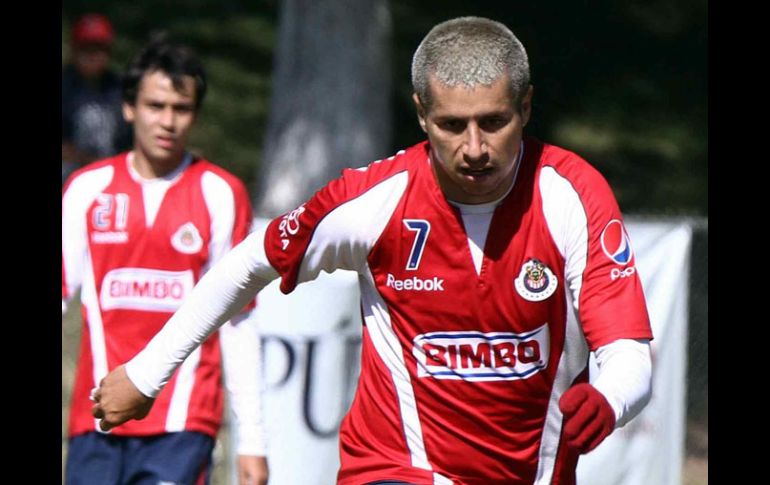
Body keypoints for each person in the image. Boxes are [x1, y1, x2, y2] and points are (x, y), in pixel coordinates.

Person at [93, 17, 654, 484]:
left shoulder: (572, 196)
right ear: (420, 115)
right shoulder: (373, 199)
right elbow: (247, 264)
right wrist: (147, 373)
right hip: (394, 467)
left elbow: (627, 354)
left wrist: (608, 399)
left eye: (494, 122)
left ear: (526, 108)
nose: (475, 148)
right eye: (452, 125)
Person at [62, 36, 269, 485]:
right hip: (96, 417)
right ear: (129, 108)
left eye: (182, 108)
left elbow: (238, 321)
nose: (168, 121)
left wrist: (253, 440)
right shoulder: (85, 189)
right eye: (156, 106)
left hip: (183, 422)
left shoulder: (220, 194)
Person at [62, 13, 132, 184]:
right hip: (70, 172)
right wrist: (91, 161)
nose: (93, 55)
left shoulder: (119, 88)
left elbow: (132, 140)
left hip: (114, 172)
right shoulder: (64, 86)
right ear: (74, 49)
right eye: (86, 48)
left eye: (99, 48)